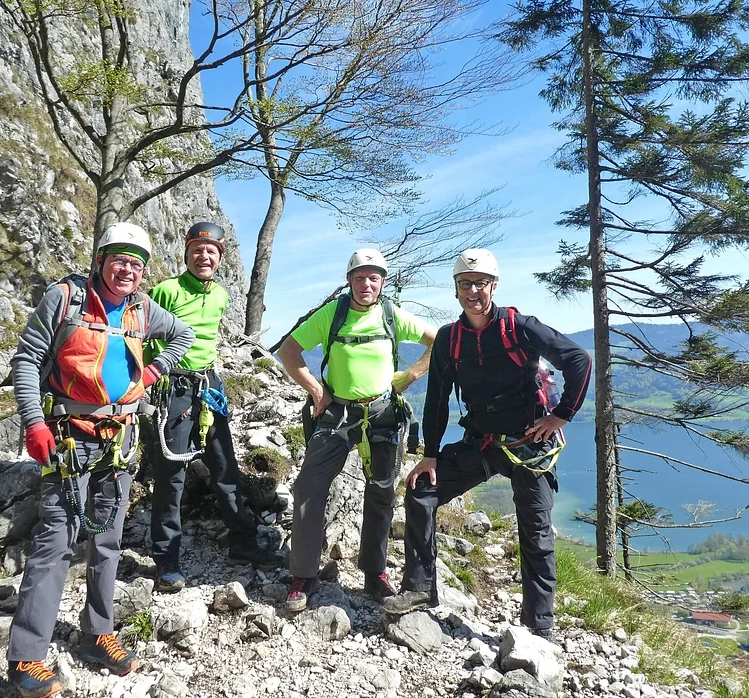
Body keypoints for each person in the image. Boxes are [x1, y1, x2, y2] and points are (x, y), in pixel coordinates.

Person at [6, 222, 194, 698]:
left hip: (120, 438)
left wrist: (152, 371)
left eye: (136, 264)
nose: (127, 269)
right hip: (69, 435)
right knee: (56, 540)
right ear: (101, 261)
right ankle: (26, 654)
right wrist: (34, 422)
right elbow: (27, 360)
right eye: (119, 260)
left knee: (108, 541)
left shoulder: (142, 309)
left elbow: (184, 334)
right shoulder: (65, 298)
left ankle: (97, 633)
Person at [382, 248, 591, 640]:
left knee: (536, 531)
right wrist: (430, 456)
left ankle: (539, 626)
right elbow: (437, 398)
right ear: (456, 289)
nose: (473, 290)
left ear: (494, 286)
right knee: (422, 489)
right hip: (481, 443)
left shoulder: (520, 327)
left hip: (529, 444)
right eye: (466, 283)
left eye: (481, 283)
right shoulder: (450, 339)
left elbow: (578, 359)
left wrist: (562, 414)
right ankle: (419, 588)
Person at [276, 249, 436, 612]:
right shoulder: (332, 314)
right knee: (309, 486)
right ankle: (304, 575)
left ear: (382, 282)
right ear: (349, 281)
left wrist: (411, 375)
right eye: (360, 277)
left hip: (383, 412)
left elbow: (438, 339)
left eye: (373, 278)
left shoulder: (392, 315)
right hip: (337, 413)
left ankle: (374, 572)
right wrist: (316, 390)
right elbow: (289, 351)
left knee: (381, 491)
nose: (367, 284)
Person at [145, 221, 281, 592]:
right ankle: (166, 559)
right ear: (186, 253)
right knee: (172, 474)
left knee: (225, 466)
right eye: (197, 250)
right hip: (174, 387)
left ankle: (243, 543)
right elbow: (143, 337)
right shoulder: (166, 291)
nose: (203, 257)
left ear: (220, 258)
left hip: (208, 385)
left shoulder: (220, 295)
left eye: (211, 251)